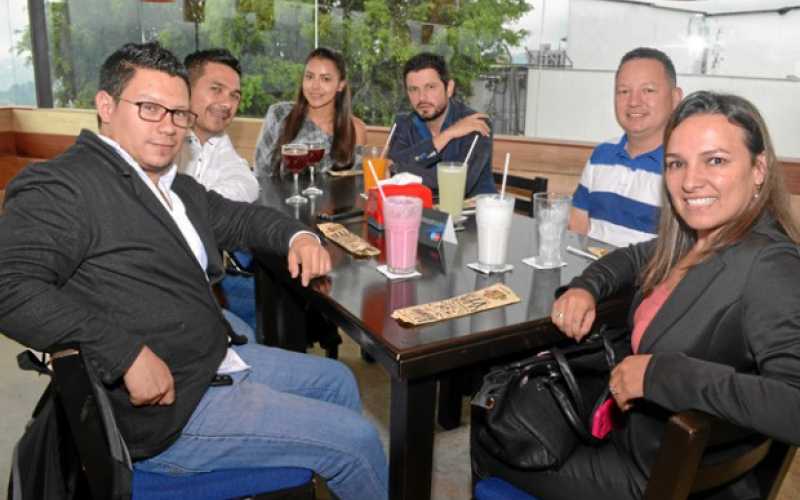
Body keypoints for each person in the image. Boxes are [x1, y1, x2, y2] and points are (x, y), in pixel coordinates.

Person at [0, 42, 388, 500]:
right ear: (105, 105)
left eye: (179, 114)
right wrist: (123, 353)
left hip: (211, 359)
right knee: (357, 441)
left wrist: (298, 237)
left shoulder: (172, 183)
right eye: (150, 109)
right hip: (171, 411)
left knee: (338, 379)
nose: (168, 128)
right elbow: (9, 285)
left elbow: (244, 217)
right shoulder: (65, 186)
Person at [473, 91, 800, 499]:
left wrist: (660, 374)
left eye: (715, 160)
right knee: (506, 412)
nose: (691, 180)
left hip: (663, 475)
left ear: (758, 169)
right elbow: (629, 258)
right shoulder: (693, 239)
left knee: (490, 435)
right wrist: (585, 287)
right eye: (676, 163)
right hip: (634, 438)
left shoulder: (771, 264)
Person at [569, 47, 683, 247]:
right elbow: (578, 224)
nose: (634, 102)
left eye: (648, 90)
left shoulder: (683, 165)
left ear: (675, 98)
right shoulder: (601, 155)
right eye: (623, 91)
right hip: (591, 272)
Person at [389, 52, 496, 197]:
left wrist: (401, 170)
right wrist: (445, 136)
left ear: (449, 88)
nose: (422, 97)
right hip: (421, 211)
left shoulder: (476, 124)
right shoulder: (403, 124)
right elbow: (391, 168)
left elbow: (458, 184)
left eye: (431, 87)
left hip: (473, 215)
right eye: (413, 89)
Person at [254, 47, 367, 178]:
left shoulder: (355, 129)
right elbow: (260, 174)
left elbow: (355, 184)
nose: (315, 86)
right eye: (309, 76)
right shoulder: (279, 114)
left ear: (340, 85)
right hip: (278, 198)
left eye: (325, 79)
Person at [176, 48, 259, 204]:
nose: (227, 104)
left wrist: (202, 203)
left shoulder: (217, 139)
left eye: (234, 96)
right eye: (216, 89)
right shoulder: (165, 134)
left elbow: (247, 183)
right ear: (186, 89)